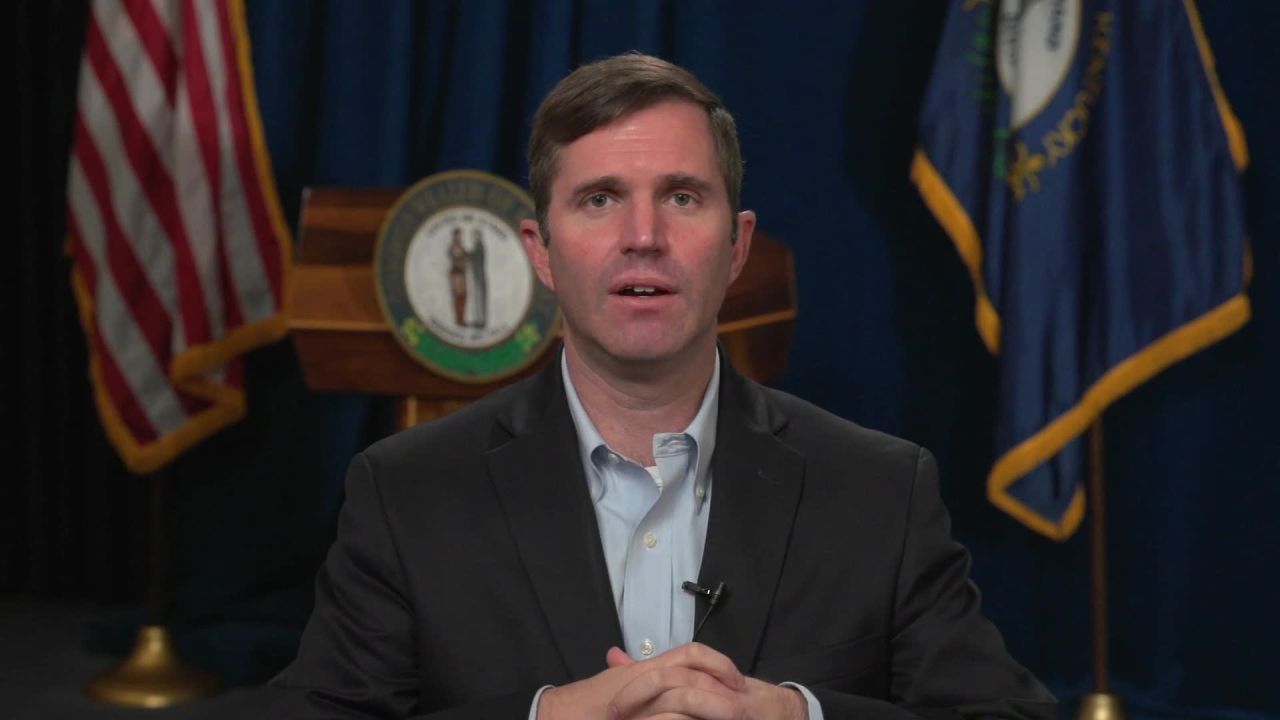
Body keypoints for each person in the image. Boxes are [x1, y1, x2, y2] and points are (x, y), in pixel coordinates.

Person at [269, 53, 1056, 720]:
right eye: (600, 199)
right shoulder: (407, 493)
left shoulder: (880, 489)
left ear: (737, 246)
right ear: (540, 252)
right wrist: (545, 716)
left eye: (682, 196)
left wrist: (799, 714)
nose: (643, 238)